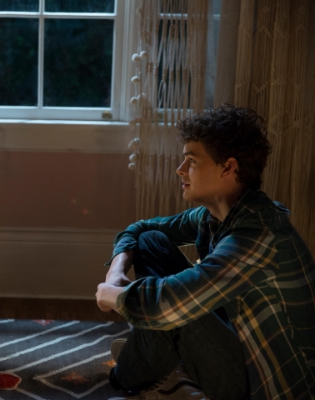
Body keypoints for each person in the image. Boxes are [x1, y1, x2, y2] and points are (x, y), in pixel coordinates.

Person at [96, 104, 315, 399]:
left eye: (191, 161)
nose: (180, 170)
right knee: (151, 241)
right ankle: (162, 359)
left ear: (228, 167)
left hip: (266, 385)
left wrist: (112, 295)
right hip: (239, 342)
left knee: (175, 312)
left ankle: (130, 373)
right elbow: (139, 229)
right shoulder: (218, 215)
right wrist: (115, 272)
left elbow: (169, 303)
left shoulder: (257, 235)